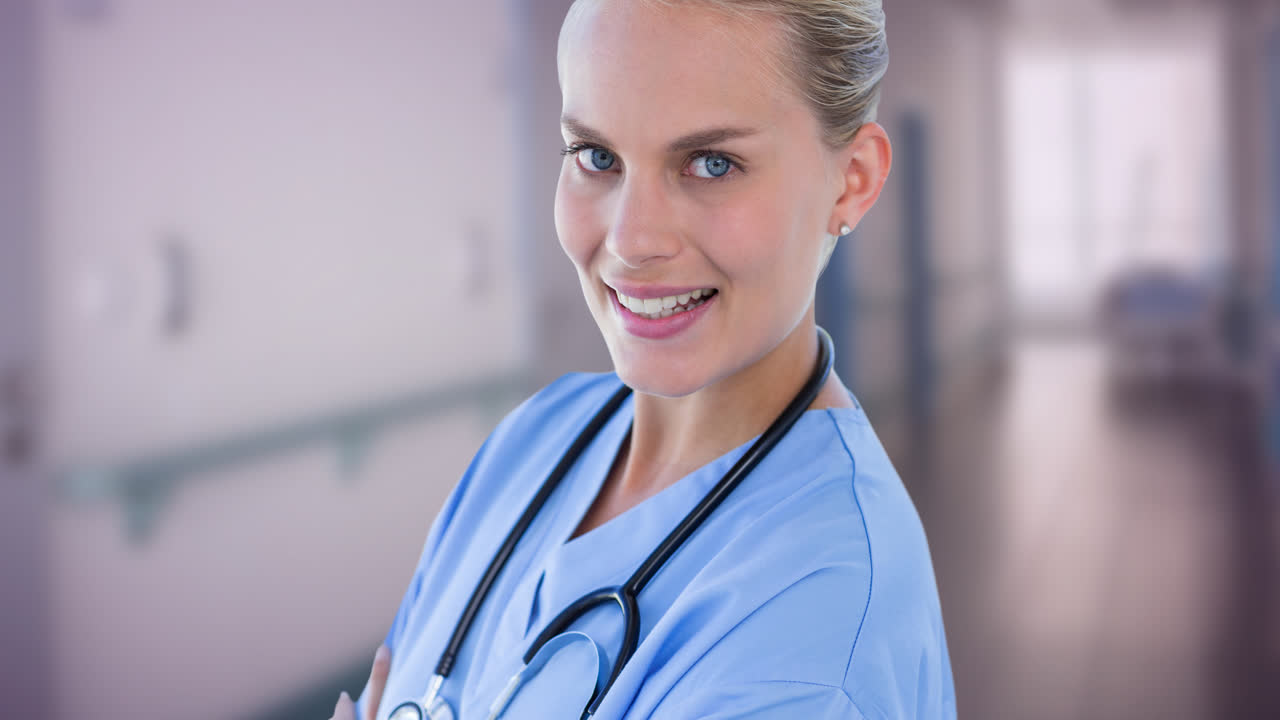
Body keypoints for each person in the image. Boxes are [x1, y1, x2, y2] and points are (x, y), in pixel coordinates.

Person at [332, 0, 955, 717]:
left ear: (852, 181)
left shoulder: (819, 623)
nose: (631, 239)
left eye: (711, 164)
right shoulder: (536, 438)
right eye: (596, 157)